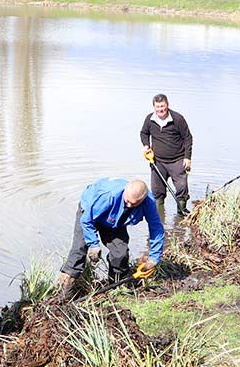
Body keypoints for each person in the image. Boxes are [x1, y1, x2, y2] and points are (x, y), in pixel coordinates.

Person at [59, 178, 164, 300]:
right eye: (128, 201)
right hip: (89, 215)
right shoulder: (107, 196)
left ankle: (116, 288)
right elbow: (87, 220)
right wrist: (94, 244)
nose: (129, 205)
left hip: (114, 220)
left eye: (134, 204)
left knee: (120, 253)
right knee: (78, 252)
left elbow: (156, 227)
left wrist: (154, 257)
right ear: (125, 192)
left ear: (143, 199)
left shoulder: (149, 202)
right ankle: (65, 296)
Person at [139, 94, 193, 222]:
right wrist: (146, 145)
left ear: (167, 105)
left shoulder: (178, 119)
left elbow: (188, 138)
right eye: (158, 107)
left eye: (162, 106)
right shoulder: (149, 119)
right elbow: (143, 133)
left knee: (181, 188)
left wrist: (187, 157)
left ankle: (181, 216)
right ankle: (159, 220)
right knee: (157, 192)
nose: (160, 110)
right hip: (157, 161)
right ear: (154, 107)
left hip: (177, 160)